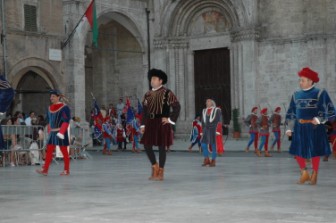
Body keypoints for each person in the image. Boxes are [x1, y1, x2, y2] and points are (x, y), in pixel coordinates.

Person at [285, 67, 335, 185]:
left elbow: (330, 109)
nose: (300, 82)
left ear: (311, 81)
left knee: (315, 151)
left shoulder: (320, 93)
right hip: (299, 127)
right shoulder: (296, 94)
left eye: (303, 80)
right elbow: (291, 111)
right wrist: (289, 127)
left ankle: (315, 174)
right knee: (297, 151)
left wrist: (319, 119)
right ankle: (304, 173)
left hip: (315, 127)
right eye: (300, 80)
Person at [140, 68, 181, 181]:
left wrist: (170, 119)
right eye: (151, 79)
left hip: (162, 123)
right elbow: (144, 111)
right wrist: (143, 125)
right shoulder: (147, 94)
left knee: (162, 146)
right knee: (147, 145)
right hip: (150, 122)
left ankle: (161, 172)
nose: (151, 81)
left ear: (160, 80)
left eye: (154, 79)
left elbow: (177, 107)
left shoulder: (168, 93)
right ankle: (155, 166)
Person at [36, 90, 71, 176]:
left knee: (64, 151)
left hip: (60, 132)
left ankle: (66, 170)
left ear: (58, 97)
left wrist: (62, 132)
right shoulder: (50, 108)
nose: (51, 98)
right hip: (52, 133)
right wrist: (41, 129)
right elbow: (47, 120)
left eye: (53, 96)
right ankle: (45, 170)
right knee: (49, 151)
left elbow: (66, 121)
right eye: (51, 96)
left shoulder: (64, 107)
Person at [200, 99, 222, 167]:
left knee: (213, 145)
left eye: (208, 101)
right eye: (206, 101)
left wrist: (217, 130)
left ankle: (213, 160)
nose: (207, 102)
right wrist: (201, 131)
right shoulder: (204, 110)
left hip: (213, 129)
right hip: (206, 129)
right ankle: (207, 159)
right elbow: (202, 122)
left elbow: (219, 120)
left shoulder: (217, 110)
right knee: (203, 144)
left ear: (212, 103)